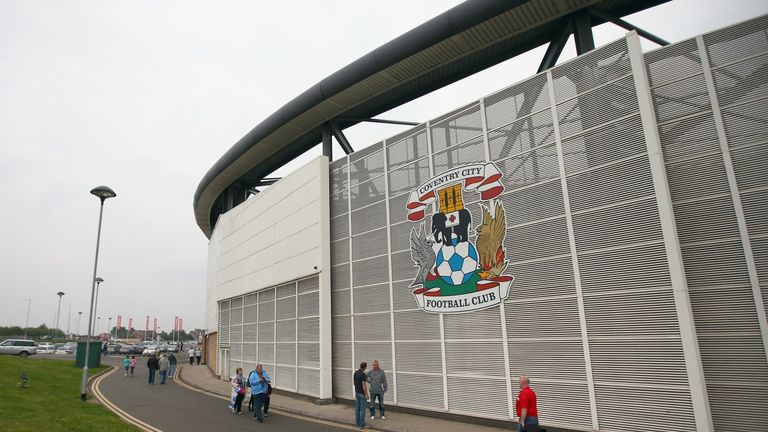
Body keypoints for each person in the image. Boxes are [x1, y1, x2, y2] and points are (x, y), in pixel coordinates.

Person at [354, 362, 369, 429]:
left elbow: (354, 383)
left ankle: (357, 422)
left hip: (357, 393)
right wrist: (366, 394)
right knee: (362, 410)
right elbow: (364, 385)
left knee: (357, 408)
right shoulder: (363, 375)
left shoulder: (355, 373)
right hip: (362, 394)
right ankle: (362, 424)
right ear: (365, 367)